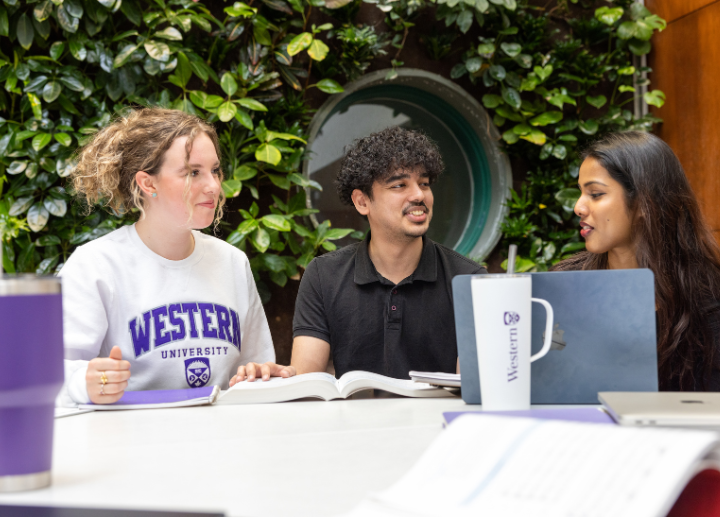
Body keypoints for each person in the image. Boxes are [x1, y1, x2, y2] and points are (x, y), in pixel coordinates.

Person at [231, 126, 486, 384]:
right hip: (353, 425)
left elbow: (473, 389)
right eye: (400, 185)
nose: (419, 195)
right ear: (362, 202)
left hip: (438, 423)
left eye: (424, 184)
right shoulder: (323, 275)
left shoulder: (468, 279)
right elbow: (307, 382)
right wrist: (274, 378)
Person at [57, 108, 274, 406]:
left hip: (222, 443)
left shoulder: (232, 262)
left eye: (215, 170)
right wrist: (86, 382)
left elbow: (257, 367)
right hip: (131, 443)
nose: (213, 186)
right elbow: (46, 374)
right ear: (148, 184)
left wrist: (260, 374)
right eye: (193, 172)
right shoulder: (95, 265)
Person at [553, 131, 720, 391]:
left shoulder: (708, 290)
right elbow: (548, 377)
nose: (578, 207)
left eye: (595, 194)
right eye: (581, 193)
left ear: (644, 202)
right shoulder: (565, 282)